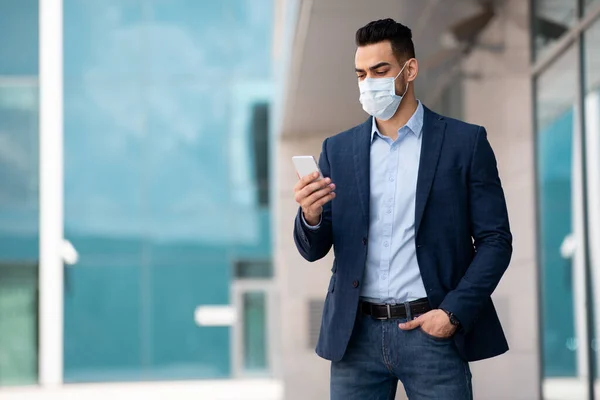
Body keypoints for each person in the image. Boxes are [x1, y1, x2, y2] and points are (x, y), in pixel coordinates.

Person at [292, 18, 512, 400]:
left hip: (431, 332)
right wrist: (310, 217)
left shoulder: (465, 143)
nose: (368, 82)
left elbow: (496, 240)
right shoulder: (338, 150)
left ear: (409, 70)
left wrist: (452, 314)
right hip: (355, 338)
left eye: (380, 70)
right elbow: (314, 248)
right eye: (361, 74)